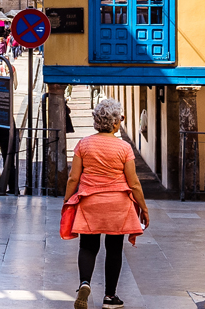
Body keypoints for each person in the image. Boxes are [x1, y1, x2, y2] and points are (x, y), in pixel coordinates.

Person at [62, 98, 147, 309]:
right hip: (117, 205)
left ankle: (85, 283)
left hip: (90, 203)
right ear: (118, 122)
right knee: (114, 248)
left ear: (96, 121)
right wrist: (143, 208)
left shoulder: (83, 144)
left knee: (88, 246)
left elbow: (73, 178)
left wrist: (67, 201)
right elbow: (134, 182)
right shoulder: (124, 148)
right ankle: (110, 297)